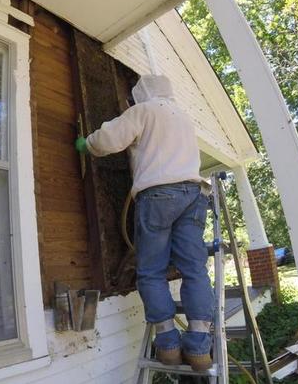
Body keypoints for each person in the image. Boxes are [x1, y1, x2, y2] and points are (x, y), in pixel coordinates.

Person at [75, 75, 214, 371]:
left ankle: (168, 346)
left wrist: (87, 144)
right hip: (194, 194)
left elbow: (110, 138)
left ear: (142, 94)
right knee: (194, 268)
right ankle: (200, 346)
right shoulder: (184, 117)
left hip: (159, 195)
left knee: (151, 272)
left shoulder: (145, 110)